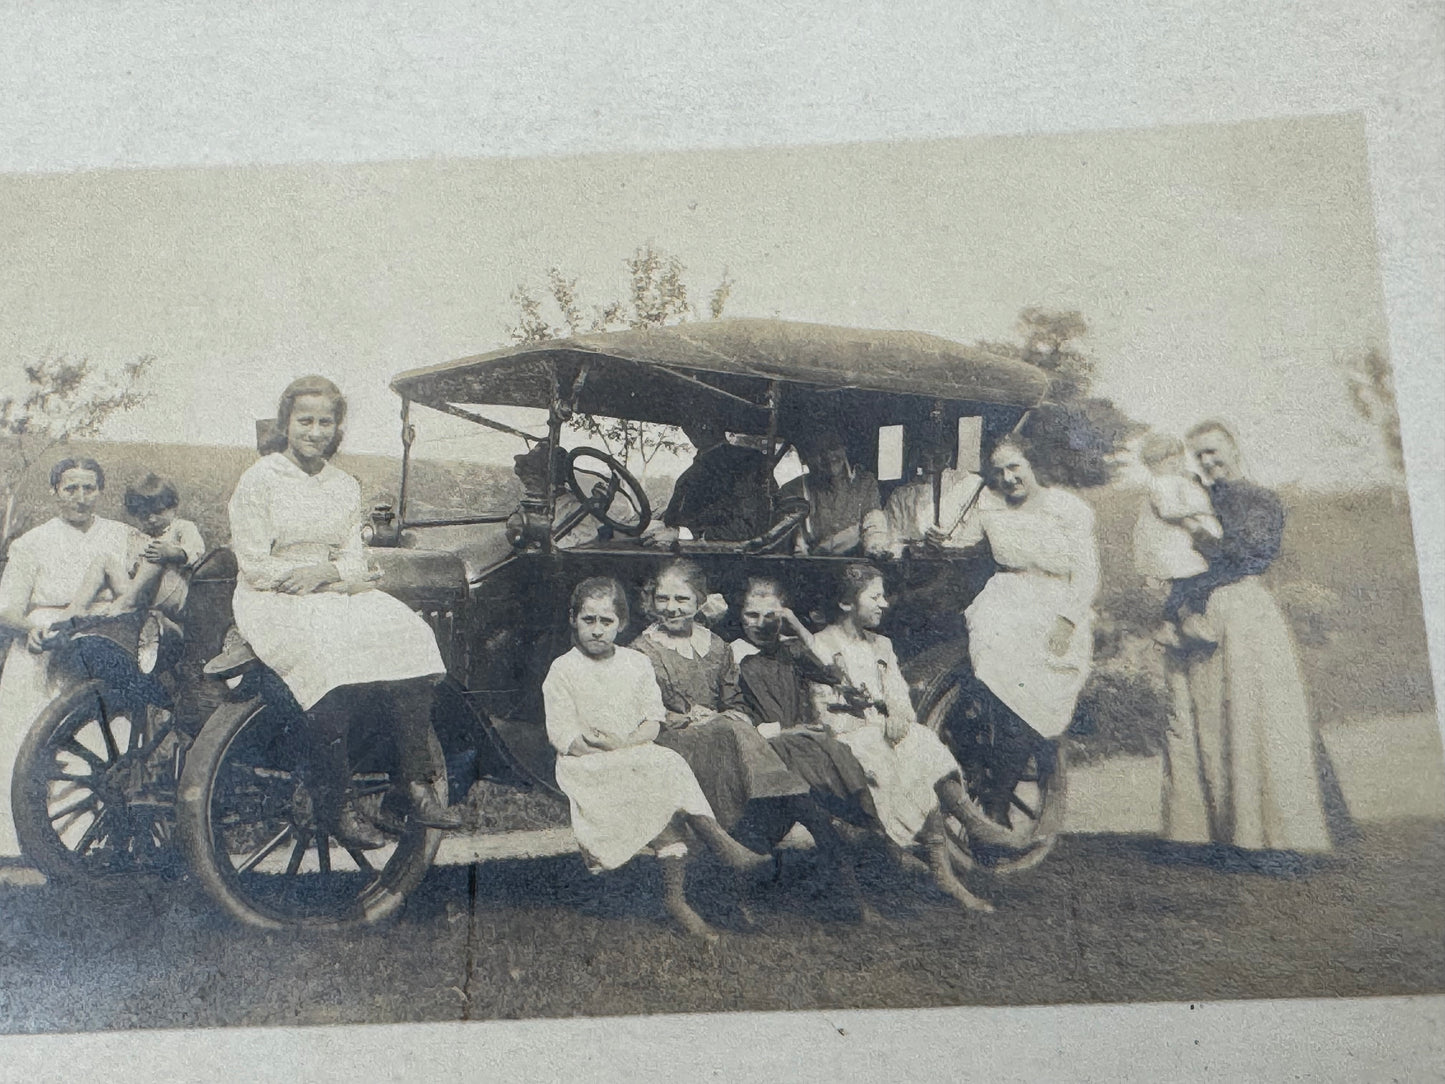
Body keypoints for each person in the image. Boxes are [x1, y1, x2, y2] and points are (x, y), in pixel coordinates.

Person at [227, 375, 461, 850]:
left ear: (338, 428)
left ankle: (411, 785)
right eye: (305, 421)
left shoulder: (342, 486)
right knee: (326, 655)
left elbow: (355, 559)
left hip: (330, 588)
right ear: (286, 423)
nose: (315, 432)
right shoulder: (261, 479)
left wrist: (326, 573)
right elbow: (252, 563)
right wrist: (308, 577)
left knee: (412, 633)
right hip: (274, 596)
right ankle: (335, 801)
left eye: (326, 422)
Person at [543, 576, 768, 941]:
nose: (598, 631)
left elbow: (652, 720)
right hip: (587, 762)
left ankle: (677, 899)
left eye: (607, 621)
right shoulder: (563, 669)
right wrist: (609, 749)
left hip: (634, 752)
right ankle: (721, 846)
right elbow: (561, 735)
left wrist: (628, 743)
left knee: (662, 765)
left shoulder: (635, 662)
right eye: (589, 620)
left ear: (621, 623)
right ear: (573, 619)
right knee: (662, 765)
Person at [1161, 420, 1332, 856]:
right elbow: (1172, 561)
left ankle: (1268, 835)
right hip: (1199, 617)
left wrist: (1198, 534)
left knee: (1255, 720)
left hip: (1243, 613)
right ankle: (1214, 832)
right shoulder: (1189, 498)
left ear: (1234, 449)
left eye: (1214, 451)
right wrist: (1176, 609)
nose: (1208, 461)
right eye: (1199, 455)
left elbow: (1247, 556)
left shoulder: (1259, 499)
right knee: (1205, 722)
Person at [929, 435, 1100, 826]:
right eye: (999, 472)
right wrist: (938, 537)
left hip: (1056, 601)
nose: (1008, 478)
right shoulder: (988, 504)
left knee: (1037, 691)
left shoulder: (1067, 509)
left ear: (1031, 464)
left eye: (1014, 467)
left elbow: (1086, 573)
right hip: (1007, 598)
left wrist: (1067, 620)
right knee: (999, 680)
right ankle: (990, 786)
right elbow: (959, 537)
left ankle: (998, 794)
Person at [807, 564, 993, 911]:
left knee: (920, 741)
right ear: (847, 603)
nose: (884, 604)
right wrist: (877, 725)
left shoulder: (883, 646)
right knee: (901, 753)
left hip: (886, 733)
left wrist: (897, 717)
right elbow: (824, 711)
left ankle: (972, 823)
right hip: (849, 738)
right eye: (875, 596)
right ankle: (939, 868)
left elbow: (898, 698)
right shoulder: (821, 645)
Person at [0, 457, 137, 857]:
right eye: (70, 489)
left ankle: (89, 841)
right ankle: (17, 841)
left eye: (89, 488)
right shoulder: (31, 542)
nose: (80, 498)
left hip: (101, 640)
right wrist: (32, 629)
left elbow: (148, 581)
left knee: (99, 739)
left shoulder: (122, 535)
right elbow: (7, 607)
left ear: (100, 490)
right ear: (55, 491)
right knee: (28, 740)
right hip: (44, 645)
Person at [631, 560, 810, 834]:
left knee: (733, 728)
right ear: (652, 601)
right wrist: (686, 717)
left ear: (699, 601)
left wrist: (722, 715)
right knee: (729, 732)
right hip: (671, 738)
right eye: (662, 599)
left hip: (719, 732)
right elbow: (641, 711)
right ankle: (771, 802)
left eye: (682, 599)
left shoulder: (716, 646)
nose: (671, 607)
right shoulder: (642, 650)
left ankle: (775, 806)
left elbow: (734, 700)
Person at [59, 473, 206, 622]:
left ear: (173, 506)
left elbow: (197, 552)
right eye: (144, 515)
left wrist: (173, 553)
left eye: (158, 512)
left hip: (171, 594)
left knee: (154, 552)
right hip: (140, 595)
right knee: (104, 560)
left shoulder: (182, 527)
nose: (152, 519)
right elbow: (130, 568)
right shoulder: (139, 536)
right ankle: (77, 607)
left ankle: (126, 603)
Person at [1129, 433, 1222, 643]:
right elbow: (1168, 510)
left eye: (1178, 458)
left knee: (1190, 582)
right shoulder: (1160, 483)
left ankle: (1182, 621)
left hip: (1178, 545)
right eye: (1167, 461)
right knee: (1187, 581)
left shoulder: (1176, 480)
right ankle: (1173, 623)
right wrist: (1198, 509)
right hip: (1168, 546)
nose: (1175, 463)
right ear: (1153, 465)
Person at [644, 421, 773, 546]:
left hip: (712, 553)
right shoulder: (708, 460)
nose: (686, 429)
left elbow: (745, 526)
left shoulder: (743, 461)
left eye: (690, 423)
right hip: (677, 540)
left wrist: (683, 533)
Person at [780, 430, 879, 556]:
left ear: (844, 449)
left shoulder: (865, 483)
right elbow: (791, 535)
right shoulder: (794, 488)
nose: (828, 455)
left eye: (833, 446)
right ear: (806, 457)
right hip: (810, 564)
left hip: (856, 562)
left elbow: (873, 525)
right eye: (818, 450)